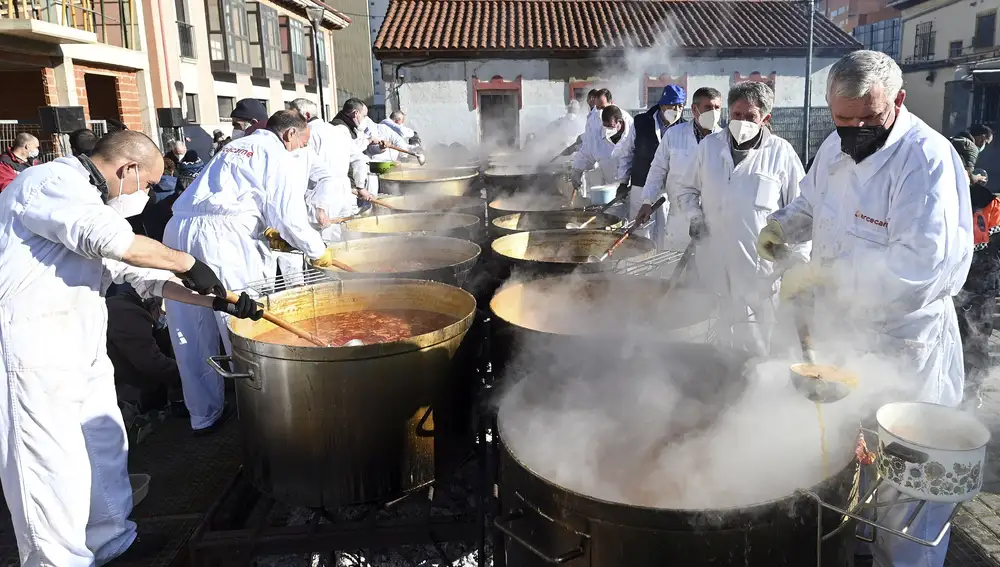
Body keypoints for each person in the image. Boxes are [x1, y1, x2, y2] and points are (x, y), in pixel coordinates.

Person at [0, 129, 262, 567]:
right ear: (127, 170)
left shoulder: (88, 202)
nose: (143, 195)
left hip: (78, 340)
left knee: (104, 443)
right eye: (144, 185)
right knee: (48, 466)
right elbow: (116, 244)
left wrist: (217, 298)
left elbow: (140, 276)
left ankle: (113, 542)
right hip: (30, 347)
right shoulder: (49, 184)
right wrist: (189, 262)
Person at [757, 50, 972, 567]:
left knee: (906, 486)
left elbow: (919, 271)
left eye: (867, 120)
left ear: (898, 101)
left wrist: (827, 277)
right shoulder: (835, 143)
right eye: (842, 119)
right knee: (853, 463)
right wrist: (784, 226)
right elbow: (812, 202)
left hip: (904, 346)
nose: (853, 130)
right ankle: (859, 550)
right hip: (843, 339)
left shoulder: (926, 160)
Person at [164, 110, 337, 435]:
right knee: (241, 323)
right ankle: (259, 420)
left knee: (190, 327)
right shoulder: (278, 154)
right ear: (289, 135)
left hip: (179, 229)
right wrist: (318, 251)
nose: (303, 150)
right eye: (303, 142)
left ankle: (203, 416)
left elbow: (245, 201)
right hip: (224, 241)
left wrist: (266, 231)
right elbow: (290, 217)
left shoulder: (236, 145)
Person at [676, 80, 807, 356]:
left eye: (751, 117)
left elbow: (803, 210)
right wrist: (695, 218)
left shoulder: (781, 154)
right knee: (713, 335)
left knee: (756, 343)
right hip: (713, 263)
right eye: (737, 115)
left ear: (765, 118)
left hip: (759, 272)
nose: (742, 122)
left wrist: (798, 259)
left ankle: (752, 392)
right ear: (728, 114)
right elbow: (686, 190)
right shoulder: (709, 148)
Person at [636, 87, 724, 251]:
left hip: (712, 221)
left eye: (717, 108)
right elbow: (658, 169)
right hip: (679, 217)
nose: (713, 112)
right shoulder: (674, 135)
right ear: (694, 109)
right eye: (708, 107)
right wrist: (647, 201)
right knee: (674, 271)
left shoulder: (724, 140)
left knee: (708, 272)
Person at [616, 84, 687, 246]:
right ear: (662, 105)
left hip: (666, 191)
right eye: (672, 105)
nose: (676, 109)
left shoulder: (684, 129)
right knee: (641, 228)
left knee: (663, 229)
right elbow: (627, 152)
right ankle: (637, 263)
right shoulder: (641, 122)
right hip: (641, 185)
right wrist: (622, 181)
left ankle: (657, 267)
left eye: (680, 106)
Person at [570, 88, 618, 191]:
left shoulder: (625, 120)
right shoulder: (594, 121)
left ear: (611, 103)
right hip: (609, 183)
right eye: (598, 108)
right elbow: (587, 149)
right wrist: (578, 169)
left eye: (603, 107)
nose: (601, 112)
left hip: (628, 182)